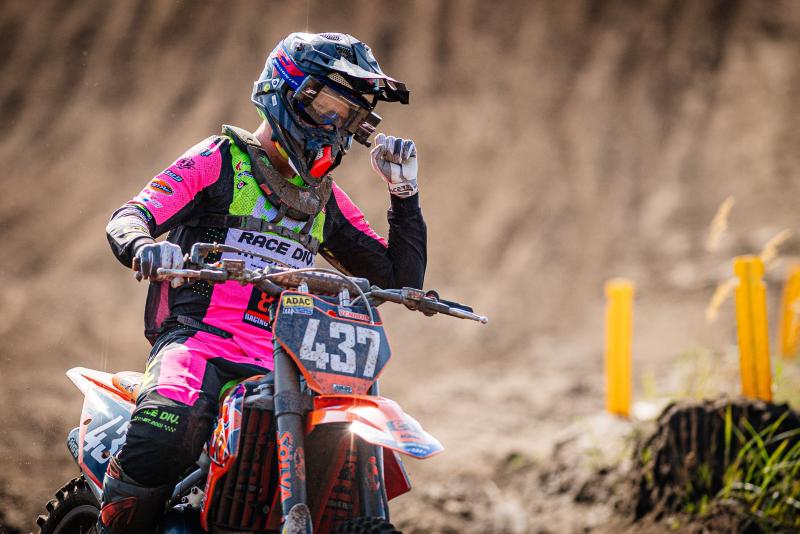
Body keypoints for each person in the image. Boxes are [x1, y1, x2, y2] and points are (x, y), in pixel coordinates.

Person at [99, 32, 425, 533]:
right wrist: (145, 245)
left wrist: (404, 193)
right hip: (199, 343)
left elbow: (400, 278)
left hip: (288, 362)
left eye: (350, 118)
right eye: (329, 108)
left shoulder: (324, 200)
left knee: (348, 459)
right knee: (162, 437)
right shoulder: (220, 159)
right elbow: (132, 215)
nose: (335, 127)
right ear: (286, 90)